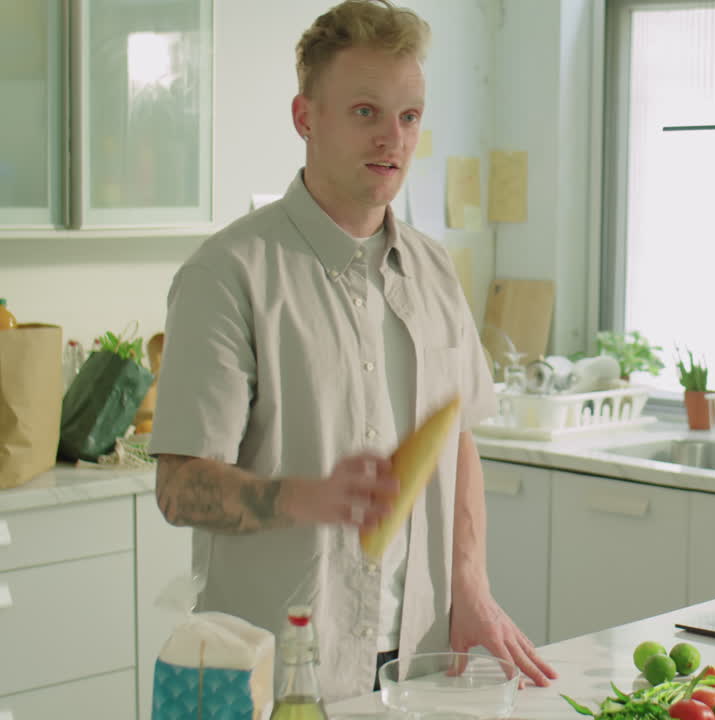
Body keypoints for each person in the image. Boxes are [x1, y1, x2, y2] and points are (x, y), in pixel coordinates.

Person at [148, 0, 556, 701]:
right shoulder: (229, 276)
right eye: (366, 111)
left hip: (416, 660)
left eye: (409, 116)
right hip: (276, 669)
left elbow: (456, 445)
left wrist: (472, 590)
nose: (391, 139)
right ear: (307, 117)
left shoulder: (435, 272)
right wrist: (310, 496)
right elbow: (180, 487)